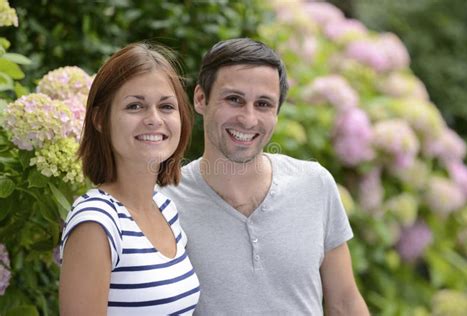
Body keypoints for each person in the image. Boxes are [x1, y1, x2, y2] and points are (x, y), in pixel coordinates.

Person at [161, 38, 370, 315]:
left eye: (263, 104)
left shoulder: (315, 184)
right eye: (234, 99)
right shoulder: (163, 202)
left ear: (277, 112)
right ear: (201, 99)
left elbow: (344, 302)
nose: (248, 119)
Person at [59, 42, 200, 315]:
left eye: (166, 106)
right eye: (135, 106)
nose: (154, 119)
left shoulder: (165, 209)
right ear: (100, 119)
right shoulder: (96, 222)